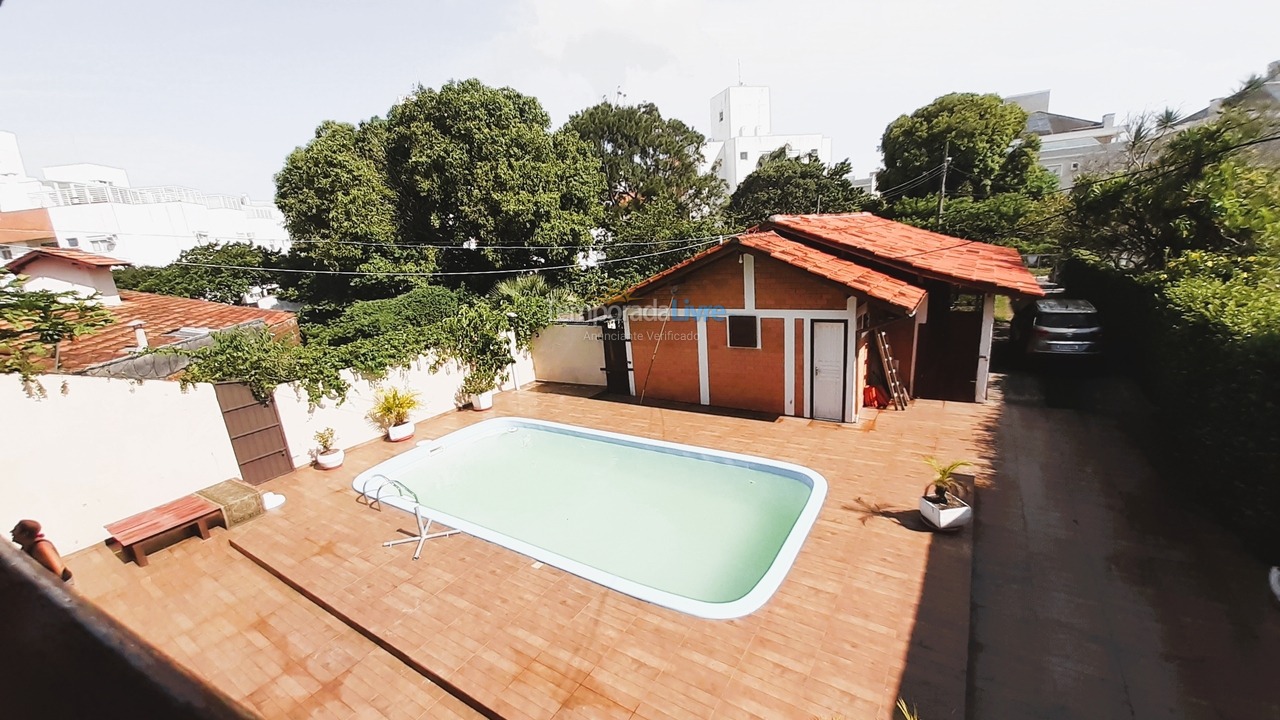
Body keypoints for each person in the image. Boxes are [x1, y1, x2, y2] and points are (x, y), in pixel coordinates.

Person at [10, 519, 73, 584]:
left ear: (25, 534)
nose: (11, 532)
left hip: (62, 587)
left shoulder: (40, 547)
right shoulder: (28, 546)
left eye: (15, 530)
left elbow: (57, 573)